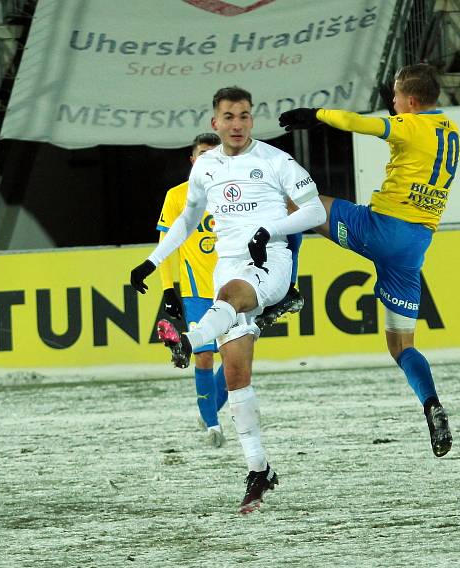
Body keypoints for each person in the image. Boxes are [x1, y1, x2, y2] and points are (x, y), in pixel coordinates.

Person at [130, 86, 326, 514]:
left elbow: (316, 213)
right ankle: (259, 471)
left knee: (230, 298)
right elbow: (184, 223)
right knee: (236, 377)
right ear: (215, 122)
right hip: (228, 267)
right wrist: (150, 263)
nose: (237, 124)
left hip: (268, 261)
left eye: (244, 116)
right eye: (228, 117)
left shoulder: (275, 161)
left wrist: (268, 231)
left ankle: (188, 339)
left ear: (252, 120)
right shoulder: (206, 166)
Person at [278, 63, 456, 458]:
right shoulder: (450, 130)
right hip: (414, 246)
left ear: (410, 102)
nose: (391, 104)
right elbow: (412, 134)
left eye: (395, 98)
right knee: (401, 345)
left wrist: (316, 116)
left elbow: (363, 124)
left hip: (381, 229)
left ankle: (287, 290)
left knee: (295, 206)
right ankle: (432, 405)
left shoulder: (409, 126)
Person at [157, 132, 228, 448]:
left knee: (237, 360)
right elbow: (165, 246)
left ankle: (208, 409)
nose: (208, 159)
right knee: (203, 358)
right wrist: (167, 290)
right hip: (197, 292)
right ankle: (213, 426)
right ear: (193, 160)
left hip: (234, 289)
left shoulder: (235, 193)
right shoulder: (177, 197)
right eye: (203, 154)